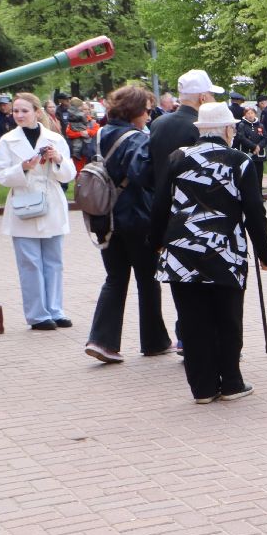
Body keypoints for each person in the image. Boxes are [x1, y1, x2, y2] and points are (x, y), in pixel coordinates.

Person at [149, 102, 267, 402]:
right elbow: (254, 212)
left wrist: (156, 243)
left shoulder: (177, 158)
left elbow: (160, 205)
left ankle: (203, 388)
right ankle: (231, 383)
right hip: (224, 252)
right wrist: (265, 253)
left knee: (192, 321)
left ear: (200, 130)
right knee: (227, 318)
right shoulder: (240, 161)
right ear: (228, 129)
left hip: (181, 252)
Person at [85, 84, 172, 363]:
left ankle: (102, 341)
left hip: (105, 217)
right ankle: (154, 341)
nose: (149, 115)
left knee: (115, 278)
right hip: (137, 217)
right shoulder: (135, 138)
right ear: (134, 110)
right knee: (148, 280)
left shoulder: (100, 134)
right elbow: (141, 174)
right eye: (146, 110)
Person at [0, 93, 76, 330]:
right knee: (30, 263)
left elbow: (68, 174)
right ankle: (38, 314)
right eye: (15, 111)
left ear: (37, 112)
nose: (19, 115)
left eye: (24, 110)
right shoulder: (7, 141)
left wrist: (58, 159)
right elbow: (0, 175)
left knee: (54, 261)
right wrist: (23, 168)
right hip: (24, 203)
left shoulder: (54, 138)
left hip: (51, 203)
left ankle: (55, 310)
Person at [150, 71, 214, 195]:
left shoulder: (157, 123)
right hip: (193, 201)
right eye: (212, 95)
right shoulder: (203, 126)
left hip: (160, 198)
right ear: (202, 98)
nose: (213, 99)